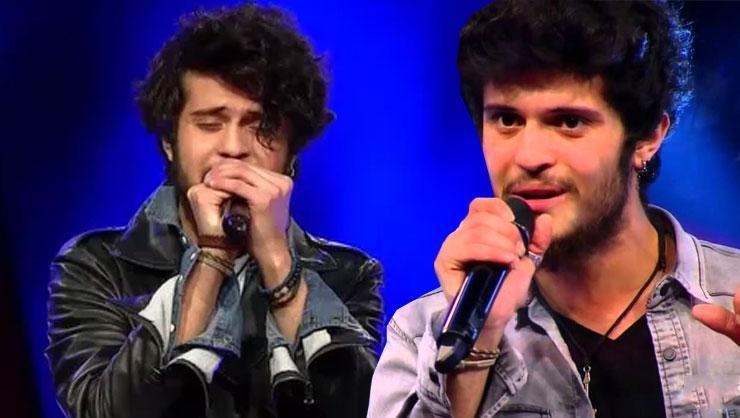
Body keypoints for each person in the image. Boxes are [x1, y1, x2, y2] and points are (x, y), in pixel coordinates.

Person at [368, 1, 740, 417]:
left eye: (568, 122)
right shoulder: (425, 336)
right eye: (507, 120)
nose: (529, 156)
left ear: (648, 137)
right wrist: (473, 350)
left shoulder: (734, 295)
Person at [46, 4, 383, 418]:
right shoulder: (96, 267)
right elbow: (106, 412)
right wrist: (212, 257)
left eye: (261, 127)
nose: (234, 148)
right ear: (170, 142)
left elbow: (358, 410)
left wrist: (279, 263)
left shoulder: (349, 274)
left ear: (291, 153)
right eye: (210, 123)